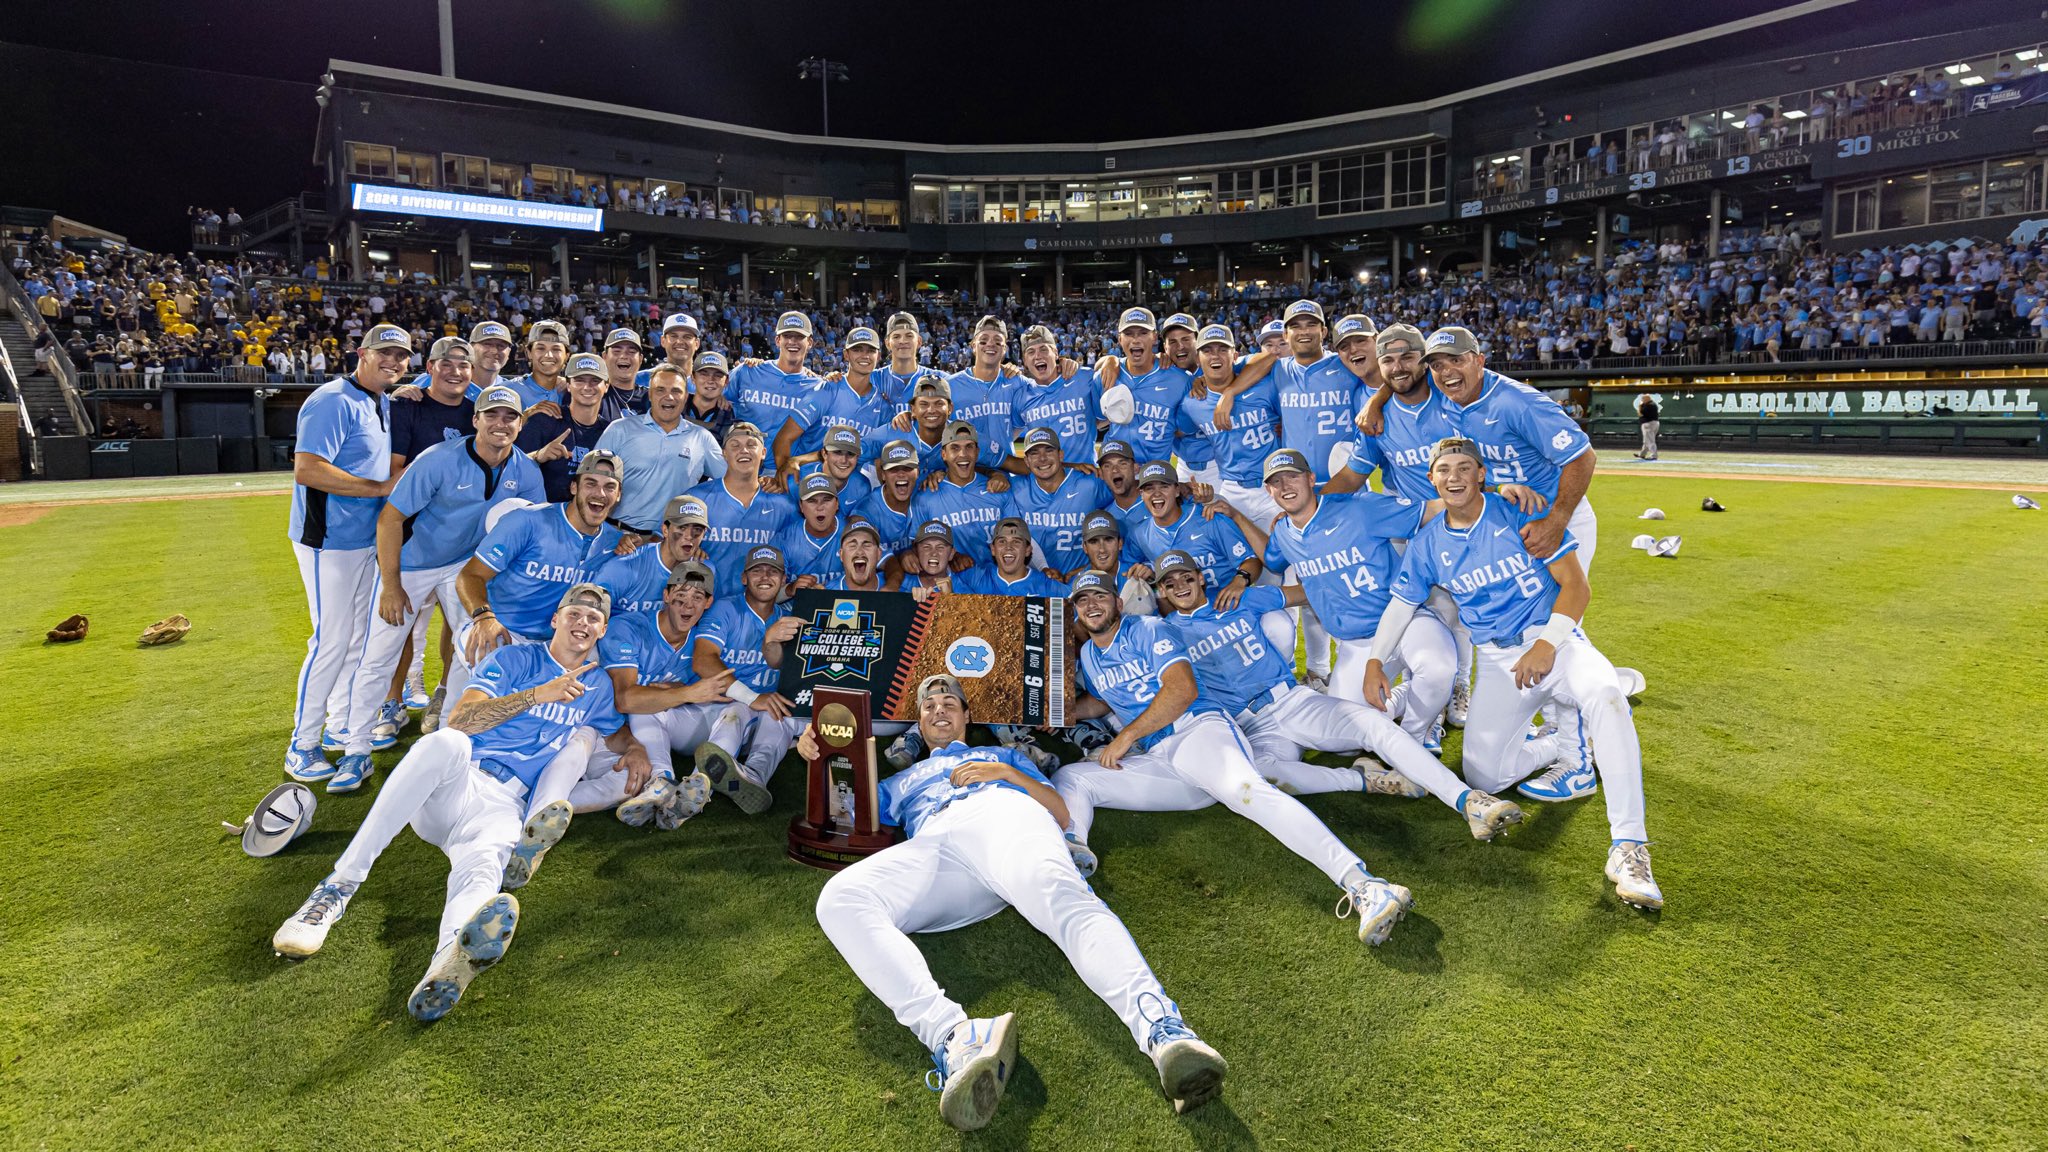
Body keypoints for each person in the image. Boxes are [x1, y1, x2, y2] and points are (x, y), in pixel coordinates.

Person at [810, 673, 1228, 1131]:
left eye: (950, 702)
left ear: (968, 717)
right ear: (919, 724)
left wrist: (1006, 774)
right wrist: (821, 757)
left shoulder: (1002, 755)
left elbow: (1060, 811)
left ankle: (1164, 1033)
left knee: (1066, 901)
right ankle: (956, 1038)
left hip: (1004, 818)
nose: (940, 710)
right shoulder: (899, 780)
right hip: (940, 849)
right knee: (840, 899)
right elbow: (842, 818)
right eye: (929, 707)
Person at [271, 583, 651, 1021]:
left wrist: (636, 748)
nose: (583, 623)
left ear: (602, 630)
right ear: (556, 619)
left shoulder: (598, 686)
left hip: (506, 806)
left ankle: (447, 964)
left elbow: (615, 733)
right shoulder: (516, 659)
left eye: (593, 618)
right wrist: (537, 694)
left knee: (484, 873)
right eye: (575, 614)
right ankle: (337, 888)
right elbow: (462, 719)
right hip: (458, 783)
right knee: (444, 743)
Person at [1363, 438, 1663, 910]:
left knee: (1605, 694)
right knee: (1486, 774)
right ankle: (1566, 743)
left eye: (1465, 467)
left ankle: (1628, 847)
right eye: (1444, 469)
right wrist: (1375, 661)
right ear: (1432, 479)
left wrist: (1546, 645)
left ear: (1482, 474)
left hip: (1554, 642)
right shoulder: (1427, 544)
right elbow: (1402, 604)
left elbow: (1576, 588)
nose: (1454, 476)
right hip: (1499, 663)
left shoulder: (1519, 512)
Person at [1052, 571, 1416, 945]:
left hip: (1197, 732)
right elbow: (1104, 700)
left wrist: (1125, 736)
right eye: (1082, 601)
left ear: (1116, 602)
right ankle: (1072, 855)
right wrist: (1063, 711)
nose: (1091, 605)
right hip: (1163, 760)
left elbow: (1182, 690)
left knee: (1250, 793)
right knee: (1073, 777)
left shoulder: (1146, 629)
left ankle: (1365, 885)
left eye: (1099, 596)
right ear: (1077, 611)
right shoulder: (1090, 657)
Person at [1148, 550, 1521, 840]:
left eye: (1186, 577)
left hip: (1290, 701)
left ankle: (1467, 800)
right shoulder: (1162, 635)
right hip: (1251, 727)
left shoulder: (1238, 599)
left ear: (1200, 578)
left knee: (1373, 726)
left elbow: (1310, 593)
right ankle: (1363, 779)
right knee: (1261, 776)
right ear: (1161, 591)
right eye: (1170, 582)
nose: (1180, 586)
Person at [326, 385, 546, 791]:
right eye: (492, 415)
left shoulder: (526, 471)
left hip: (466, 566)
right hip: (414, 563)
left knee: (473, 650)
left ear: (520, 423)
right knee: (379, 654)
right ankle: (355, 751)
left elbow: (530, 530)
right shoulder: (438, 460)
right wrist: (391, 584)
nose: (501, 423)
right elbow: (389, 520)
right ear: (475, 419)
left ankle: (449, 742)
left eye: (510, 417)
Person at [282, 323, 409, 779]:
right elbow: (307, 470)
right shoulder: (332, 399)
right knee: (330, 641)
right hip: (327, 540)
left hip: (362, 540)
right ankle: (302, 742)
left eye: (401, 356)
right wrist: (379, 487)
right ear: (361, 353)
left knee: (355, 639)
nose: (393, 362)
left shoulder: (379, 401)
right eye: (385, 354)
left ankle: (337, 725)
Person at [453, 452, 627, 702]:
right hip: (501, 630)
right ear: (574, 487)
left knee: (591, 695)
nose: (600, 493)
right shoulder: (527, 521)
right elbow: (470, 576)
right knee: (492, 706)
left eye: (609, 487)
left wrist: (633, 542)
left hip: (555, 643)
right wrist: (484, 618)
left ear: (618, 496)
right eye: (591, 483)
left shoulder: (614, 542)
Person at [593, 559, 737, 828]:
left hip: (664, 728)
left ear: (708, 603)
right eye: (680, 596)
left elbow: (721, 692)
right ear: (666, 595)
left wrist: (679, 692)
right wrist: (687, 693)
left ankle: (698, 785)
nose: (687, 605)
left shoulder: (704, 639)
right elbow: (625, 699)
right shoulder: (629, 627)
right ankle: (662, 781)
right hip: (610, 732)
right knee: (642, 707)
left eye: (697, 597)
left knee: (736, 712)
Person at [689, 544, 803, 813]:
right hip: (723, 707)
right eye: (757, 571)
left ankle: (752, 778)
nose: (765, 576)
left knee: (780, 712)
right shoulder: (726, 609)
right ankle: (695, 786)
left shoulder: (787, 617)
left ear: (784, 580)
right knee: (737, 711)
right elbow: (703, 660)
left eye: (773, 571)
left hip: (765, 715)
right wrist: (752, 697)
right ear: (744, 578)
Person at [593, 363, 725, 534]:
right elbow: (591, 483)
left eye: (676, 391)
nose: (668, 397)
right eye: (660, 390)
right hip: (616, 536)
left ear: (686, 397)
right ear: (650, 394)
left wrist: (764, 482)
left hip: (669, 543)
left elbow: (730, 482)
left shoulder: (702, 438)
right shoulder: (619, 429)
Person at [1182, 324, 1281, 524]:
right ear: (1199, 359)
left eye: (1222, 350)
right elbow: (1178, 432)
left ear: (1235, 356)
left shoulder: (1264, 387)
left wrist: (1230, 393)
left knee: (1285, 551)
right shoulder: (1191, 404)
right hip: (1230, 489)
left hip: (1273, 485)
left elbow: (1271, 356)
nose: (1215, 356)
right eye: (1207, 351)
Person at [771, 325, 893, 486]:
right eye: (857, 349)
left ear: (878, 356)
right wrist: (785, 477)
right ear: (846, 355)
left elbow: (880, 460)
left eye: (870, 350)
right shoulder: (827, 389)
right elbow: (783, 438)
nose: (865, 355)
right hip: (809, 480)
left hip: (850, 486)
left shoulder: (883, 407)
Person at [686, 422, 795, 599]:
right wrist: (687, 552)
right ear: (724, 454)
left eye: (751, 445)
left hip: (762, 608)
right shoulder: (696, 499)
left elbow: (795, 553)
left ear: (764, 453)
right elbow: (670, 546)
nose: (744, 450)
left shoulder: (784, 506)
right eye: (735, 445)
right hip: (704, 607)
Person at [1006, 425, 1112, 576]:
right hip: (1035, 581)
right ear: (1027, 461)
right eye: (1035, 453)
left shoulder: (1090, 484)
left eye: (1049, 451)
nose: (1042, 458)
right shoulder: (1016, 488)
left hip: (1081, 581)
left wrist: (1087, 569)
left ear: (1060, 455)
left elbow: (1122, 507)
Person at [909, 420, 1017, 567]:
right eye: (955, 448)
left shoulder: (998, 490)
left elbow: (1018, 540)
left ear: (977, 452)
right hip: (948, 583)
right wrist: (951, 557)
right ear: (944, 454)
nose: (963, 454)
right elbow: (915, 547)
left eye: (969, 447)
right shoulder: (925, 497)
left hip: (996, 582)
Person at [517, 353, 615, 503]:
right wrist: (538, 456)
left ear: (606, 386)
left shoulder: (610, 432)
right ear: (568, 385)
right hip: (540, 513)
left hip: (585, 519)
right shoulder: (545, 420)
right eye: (579, 380)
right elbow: (511, 469)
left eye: (595, 381)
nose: (587, 387)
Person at [595, 494, 711, 617]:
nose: (689, 536)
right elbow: (588, 612)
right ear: (665, 530)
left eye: (697, 530)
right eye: (682, 527)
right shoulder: (625, 566)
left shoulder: (705, 572)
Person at [1009, 324, 1100, 465]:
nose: (1038, 356)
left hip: (1085, 479)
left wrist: (1110, 360)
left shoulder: (1083, 378)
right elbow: (1005, 437)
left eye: (1044, 349)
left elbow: (1109, 414)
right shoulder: (1020, 396)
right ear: (1025, 361)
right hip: (1045, 480)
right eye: (1030, 352)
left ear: (1056, 353)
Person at [728, 310, 821, 443]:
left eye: (799, 336)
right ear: (777, 340)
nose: (792, 341)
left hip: (789, 463)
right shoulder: (747, 371)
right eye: (787, 335)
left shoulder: (818, 388)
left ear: (810, 342)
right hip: (746, 460)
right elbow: (710, 397)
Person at [954, 517, 1065, 596]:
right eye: (1002, 541)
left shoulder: (1047, 585)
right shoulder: (975, 577)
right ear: (993, 549)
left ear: (1027, 550)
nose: (1008, 547)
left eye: (1016, 542)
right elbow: (941, 579)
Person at [779, 473, 847, 584]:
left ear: (837, 504)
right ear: (801, 506)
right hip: (796, 602)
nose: (820, 507)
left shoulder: (851, 534)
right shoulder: (785, 539)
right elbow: (769, 591)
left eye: (826, 500)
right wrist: (791, 589)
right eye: (812, 501)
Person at [502, 319, 571, 410]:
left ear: (566, 356)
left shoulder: (575, 392)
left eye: (556, 349)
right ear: (529, 352)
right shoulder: (506, 391)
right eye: (541, 348)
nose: (548, 355)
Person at [681, 351, 738, 442]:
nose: (710, 380)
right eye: (704, 374)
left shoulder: (731, 417)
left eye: (718, 375)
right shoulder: (676, 407)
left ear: (726, 381)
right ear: (693, 378)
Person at [600, 327, 649, 417]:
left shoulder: (652, 397)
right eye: (617, 351)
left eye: (631, 352)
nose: (623, 356)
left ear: (640, 359)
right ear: (605, 356)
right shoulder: (594, 394)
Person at [1635, 394, 1661, 460]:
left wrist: (1640, 406)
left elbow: (1640, 413)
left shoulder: (1648, 405)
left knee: (1650, 441)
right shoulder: (1653, 404)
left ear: (1647, 399)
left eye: (1643, 399)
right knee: (1647, 440)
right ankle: (1642, 454)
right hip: (1654, 423)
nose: (1642, 400)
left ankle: (1654, 455)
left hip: (1648, 424)